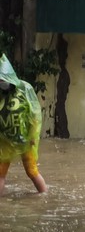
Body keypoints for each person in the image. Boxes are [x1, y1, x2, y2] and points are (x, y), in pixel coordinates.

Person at [0, 54, 48, 196]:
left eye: (3, 79)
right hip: (5, 141)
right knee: (0, 173)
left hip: (25, 139)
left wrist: (33, 135)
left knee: (32, 171)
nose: (1, 82)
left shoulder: (23, 88)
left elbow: (34, 114)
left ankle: (45, 196)